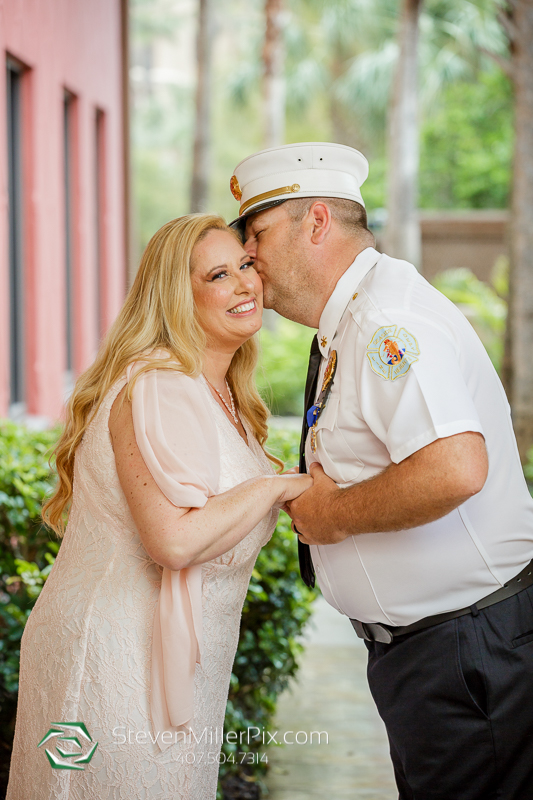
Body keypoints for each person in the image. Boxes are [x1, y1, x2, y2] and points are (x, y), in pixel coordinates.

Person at [228, 142, 533, 800]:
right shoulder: (353, 319)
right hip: (440, 650)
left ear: (315, 222)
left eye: (255, 234)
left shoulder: (383, 321)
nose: (247, 257)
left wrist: (331, 516)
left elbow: (455, 467)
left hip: (463, 653)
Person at [6, 213, 312, 800]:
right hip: (116, 657)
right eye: (218, 275)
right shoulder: (160, 385)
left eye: (246, 264)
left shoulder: (218, 389)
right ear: (177, 296)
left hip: (178, 662)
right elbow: (173, 541)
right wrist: (275, 487)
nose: (245, 284)